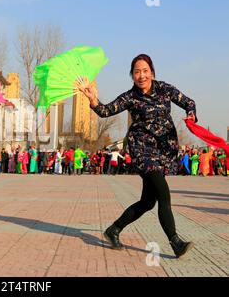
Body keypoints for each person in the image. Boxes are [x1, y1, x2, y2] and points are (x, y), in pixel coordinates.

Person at [79, 54, 196, 258]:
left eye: (144, 70)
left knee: (148, 202)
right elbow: (107, 110)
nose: (141, 75)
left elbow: (188, 102)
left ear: (151, 71)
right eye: (136, 72)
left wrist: (192, 114)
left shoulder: (164, 89)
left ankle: (113, 229)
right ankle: (175, 242)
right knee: (163, 195)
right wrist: (93, 99)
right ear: (132, 75)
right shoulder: (130, 97)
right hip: (142, 149)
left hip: (163, 150)